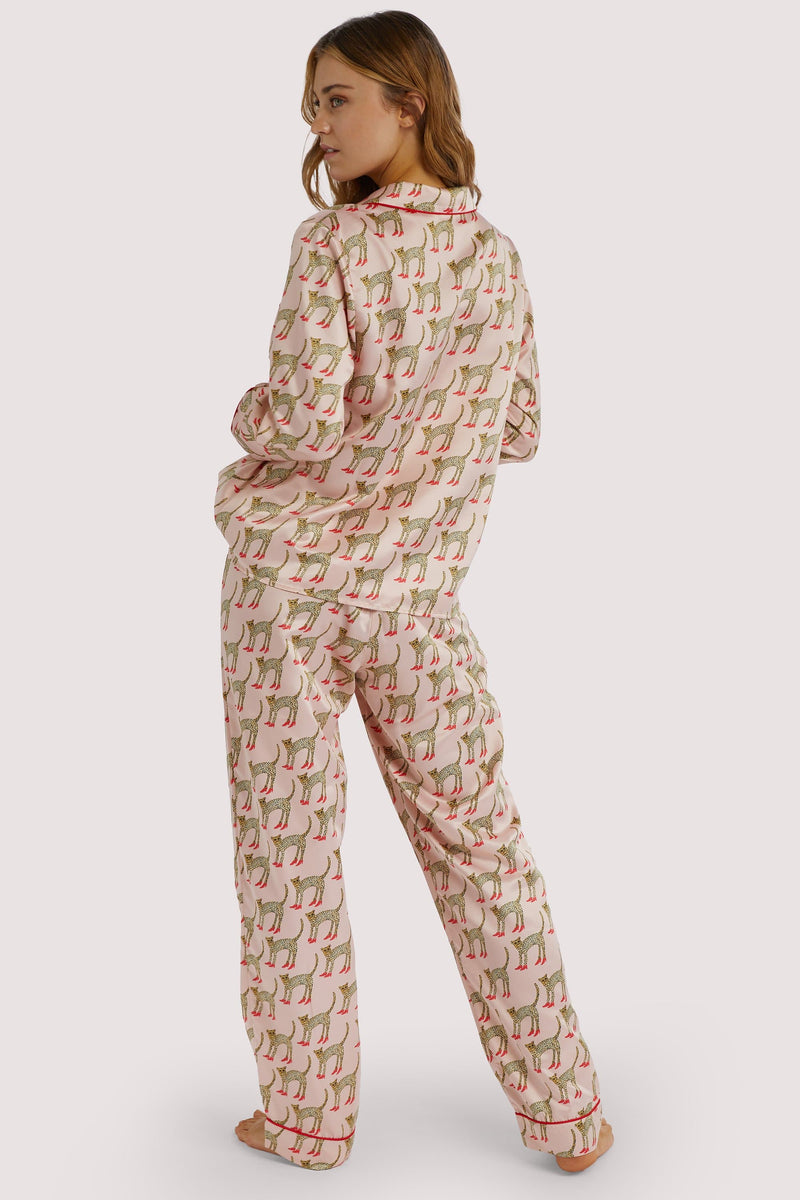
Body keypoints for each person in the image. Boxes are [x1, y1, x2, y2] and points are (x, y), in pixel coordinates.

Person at [214, 9, 613, 1173]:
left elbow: (297, 421)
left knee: (287, 851)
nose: (317, 124)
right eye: (312, 105)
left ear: (410, 101)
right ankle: (566, 1115)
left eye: (337, 98)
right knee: (479, 848)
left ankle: (305, 1119)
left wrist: (244, 413)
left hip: (289, 592)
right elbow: (520, 429)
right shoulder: (494, 258)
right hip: (414, 601)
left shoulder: (331, 247)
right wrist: (425, 446)